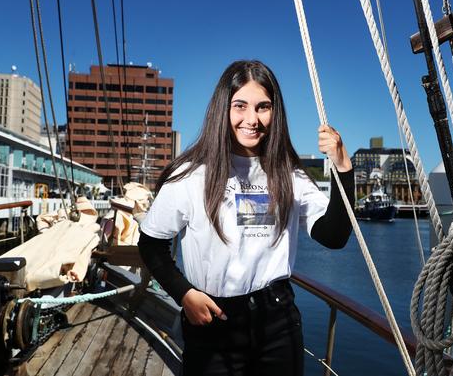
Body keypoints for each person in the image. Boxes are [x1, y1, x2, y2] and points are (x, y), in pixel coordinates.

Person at [138, 60, 355, 376]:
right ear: (222, 109)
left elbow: (334, 237)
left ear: (274, 112)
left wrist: (343, 166)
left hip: (278, 322)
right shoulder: (190, 174)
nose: (252, 119)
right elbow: (151, 244)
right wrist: (184, 294)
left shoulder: (288, 174)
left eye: (263, 107)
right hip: (213, 321)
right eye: (240, 106)